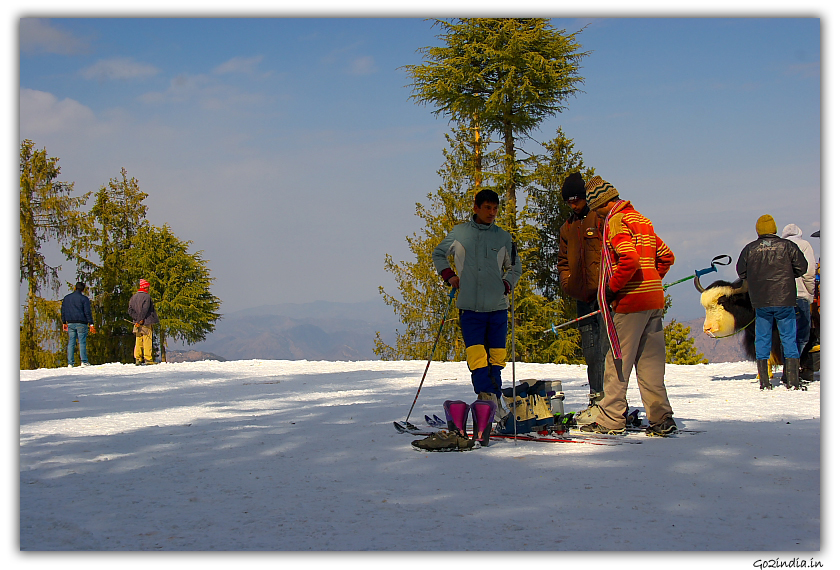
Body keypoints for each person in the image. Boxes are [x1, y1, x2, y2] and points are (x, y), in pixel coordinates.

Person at [578, 176, 677, 436]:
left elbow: (629, 259)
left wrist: (613, 287)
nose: (598, 218)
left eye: (597, 211)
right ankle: (661, 418)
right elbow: (666, 256)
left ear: (602, 205)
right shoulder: (641, 219)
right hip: (654, 300)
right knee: (650, 364)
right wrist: (652, 279)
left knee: (617, 361)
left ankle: (611, 418)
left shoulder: (617, 221)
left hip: (631, 302)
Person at [433, 189, 522, 420]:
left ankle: (494, 401)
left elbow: (515, 267)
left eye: (495, 208)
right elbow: (439, 254)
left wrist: (506, 284)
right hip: (470, 308)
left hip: (497, 308)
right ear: (476, 208)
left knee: (497, 358)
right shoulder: (460, 232)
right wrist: (449, 276)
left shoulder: (503, 237)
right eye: (487, 208)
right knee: (477, 358)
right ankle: (487, 399)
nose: (492, 213)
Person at [556, 172, 609, 424]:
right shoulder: (566, 228)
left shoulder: (598, 219)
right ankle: (595, 397)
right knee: (590, 351)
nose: (573, 205)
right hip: (582, 298)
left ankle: (612, 400)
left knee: (606, 350)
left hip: (605, 295)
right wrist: (567, 283)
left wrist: (610, 283)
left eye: (576, 200)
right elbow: (562, 261)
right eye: (569, 201)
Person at [737, 215, 808, 389]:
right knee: (788, 338)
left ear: (758, 230)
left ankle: (764, 381)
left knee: (762, 338)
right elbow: (802, 267)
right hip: (785, 299)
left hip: (761, 301)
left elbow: (742, 272)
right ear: (774, 229)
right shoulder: (787, 246)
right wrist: (788, 275)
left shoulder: (750, 249)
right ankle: (792, 381)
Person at [780, 224, 816, 377]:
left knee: (786, 335)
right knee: (802, 334)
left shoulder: (780, 246)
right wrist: (810, 292)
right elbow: (809, 271)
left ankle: (787, 368)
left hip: (782, 297)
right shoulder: (804, 245)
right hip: (800, 294)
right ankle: (795, 367)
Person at [61, 282, 96, 367]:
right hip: (81, 322)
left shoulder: (67, 298)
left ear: (75, 288)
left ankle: (70, 363)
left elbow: (63, 311)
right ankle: (84, 361)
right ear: (83, 290)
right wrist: (91, 323)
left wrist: (64, 322)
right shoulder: (84, 299)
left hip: (70, 322)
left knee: (71, 342)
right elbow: (87, 312)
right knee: (82, 342)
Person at [128, 278, 160, 365]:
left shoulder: (133, 297)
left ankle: (137, 358)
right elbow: (145, 309)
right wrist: (140, 319)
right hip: (146, 321)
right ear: (145, 287)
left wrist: (137, 319)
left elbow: (130, 310)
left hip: (136, 323)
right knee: (147, 339)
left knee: (138, 339)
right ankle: (148, 359)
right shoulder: (147, 297)